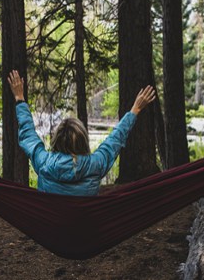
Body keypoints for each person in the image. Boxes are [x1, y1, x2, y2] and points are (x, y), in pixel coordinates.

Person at [8, 70, 156, 196]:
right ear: (83, 141)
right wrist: (135, 110)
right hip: (85, 227)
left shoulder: (44, 163)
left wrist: (20, 99)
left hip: (50, 227)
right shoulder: (95, 165)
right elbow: (114, 140)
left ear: (56, 141)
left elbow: (28, 135)